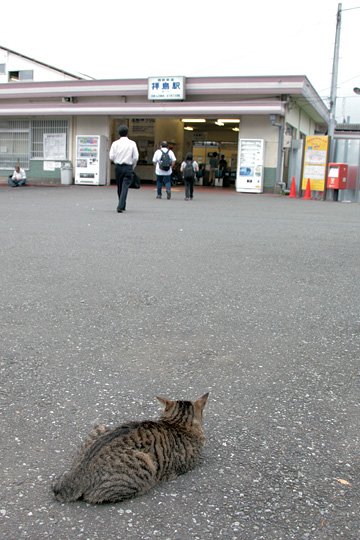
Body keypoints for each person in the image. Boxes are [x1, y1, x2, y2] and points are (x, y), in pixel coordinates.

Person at [109, 125, 139, 213]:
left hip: (118, 167)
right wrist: (132, 166)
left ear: (119, 133)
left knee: (119, 186)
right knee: (125, 187)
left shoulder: (115, 143)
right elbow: (136, 157)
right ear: (127, 133)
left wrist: (116, 161)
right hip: (128, 167)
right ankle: (121, 205)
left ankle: (121, 204)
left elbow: (111, 156)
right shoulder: (132, 143)